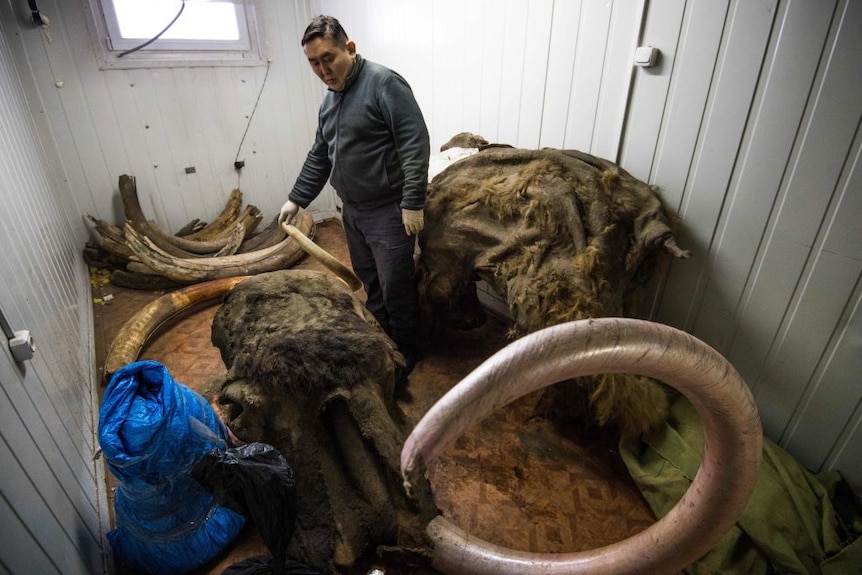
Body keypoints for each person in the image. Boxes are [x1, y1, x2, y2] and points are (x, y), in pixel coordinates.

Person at [279, 15, 430, 372]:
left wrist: (412, 202)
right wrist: (296, 198)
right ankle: (381, 344)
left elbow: (414, 143)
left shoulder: (383, 83)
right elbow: (321, 154)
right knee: (371, 285)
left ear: (350, 48)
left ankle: (405, 355)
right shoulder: (330, 101)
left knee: (396, 289)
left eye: (328, 58)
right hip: (355, 212)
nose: (322, 69)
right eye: (314, 62)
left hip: (388, 211)